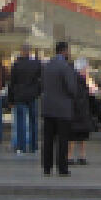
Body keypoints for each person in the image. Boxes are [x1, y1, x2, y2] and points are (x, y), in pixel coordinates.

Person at [41, 40, 77, 177]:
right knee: (63, 140)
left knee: (48, 139)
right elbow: (71, 88)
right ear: (64, 51)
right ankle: (62, 167)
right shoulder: (66, 67)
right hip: (63, 108)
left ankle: (47, 167)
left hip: (48, 107)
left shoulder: (47, 65)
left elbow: (43, 85)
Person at [8, 45, 41, 155]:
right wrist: (38, 92)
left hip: (19, 96)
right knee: (33, 122)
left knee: (20, 122)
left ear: (21, 52)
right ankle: (34, 146)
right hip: (32, 96)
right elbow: (41, 80)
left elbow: (11, 83)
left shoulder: (16, 65)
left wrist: (11, 99)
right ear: (29, 52)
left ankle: (21, 147)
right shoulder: (36, 64)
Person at [68, 57, 98, 165]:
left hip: (77, 110)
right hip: (80, 110)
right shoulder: (80, 80)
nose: (87, 70)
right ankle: (79, 156)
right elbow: (83, 95)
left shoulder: (75, 79)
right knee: (79, 134)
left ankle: (73, 156)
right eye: (86, 68)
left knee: (76, 134)